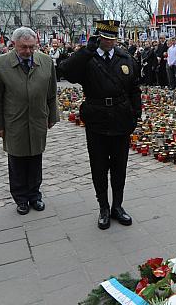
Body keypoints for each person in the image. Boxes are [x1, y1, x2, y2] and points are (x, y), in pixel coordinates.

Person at [58, 19, 141, 229]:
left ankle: (118, 206)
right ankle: (103, 207)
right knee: (99, 166)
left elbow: (134, 89)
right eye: (105, 38)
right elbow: (65, 71)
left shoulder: (125, 58)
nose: (109, 42)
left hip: (121, 118)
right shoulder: (88, 57)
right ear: (98, 36)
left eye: (112, 38)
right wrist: (86, 51)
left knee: (120, 166)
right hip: (97, 119)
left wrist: (135, 116)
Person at [0, 27, 59, 215]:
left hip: (37, 119)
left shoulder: (45, 61)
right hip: (14, 121)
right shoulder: (1, 63)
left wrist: (52, 116)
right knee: (17, 160)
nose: (28, 51)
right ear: (13, 45)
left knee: (36, 157)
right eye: (23, 47)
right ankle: (21, 198)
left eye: (31, 47)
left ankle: (35, 195)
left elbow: (52, 93)